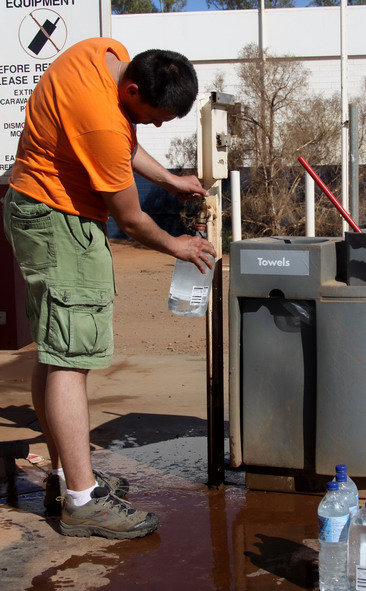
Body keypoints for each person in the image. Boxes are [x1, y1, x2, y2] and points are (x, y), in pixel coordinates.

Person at [2, 37, 215, 540]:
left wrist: (169, 180)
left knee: (56, 354)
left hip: (36, 209)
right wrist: (179, 247)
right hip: (60, 223)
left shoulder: (100, 53)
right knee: (72, 359)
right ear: (134, 88)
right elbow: (131, 219)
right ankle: (81, 499)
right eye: (156, 115)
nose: (158, 125)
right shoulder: (101, 118)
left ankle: (66, 476)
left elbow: (126, 139)